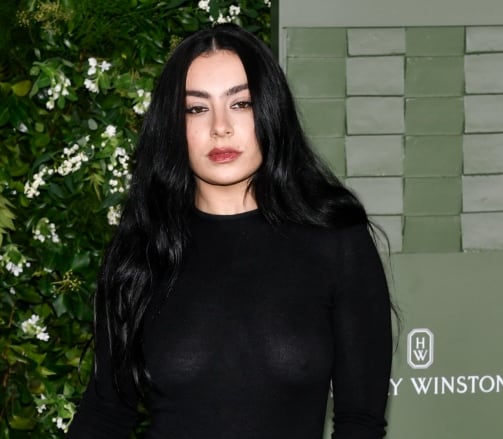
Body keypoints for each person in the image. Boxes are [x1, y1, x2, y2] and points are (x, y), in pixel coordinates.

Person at [67, 23, 393, 439]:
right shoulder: (142, 251)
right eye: (197, 108)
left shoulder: (336, 239)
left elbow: (360, 422)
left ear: (270, 111)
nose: (220, 127)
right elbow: (106, 414)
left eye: (241, 104)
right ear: (173, 125)